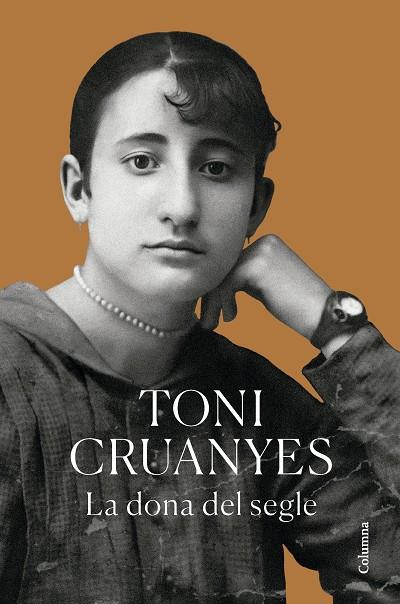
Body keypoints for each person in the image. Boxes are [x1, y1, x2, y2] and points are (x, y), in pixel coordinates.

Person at [0, 31, 399, 604]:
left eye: (215, 168)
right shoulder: (10, 369)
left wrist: (335, 325)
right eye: (142, 161)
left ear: (256, 206)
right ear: (79, 188)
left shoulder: (262, 410)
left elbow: (380, 560)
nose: (182, 207)